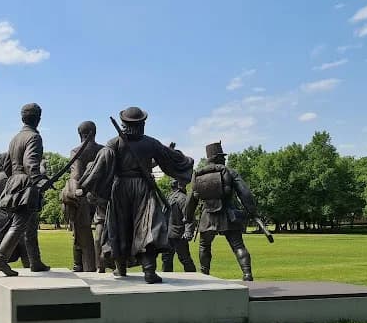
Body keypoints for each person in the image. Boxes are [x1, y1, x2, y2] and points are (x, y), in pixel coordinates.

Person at [77, 106, 194, 284]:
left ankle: (122, 268)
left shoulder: (114, 143)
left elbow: (98, 167)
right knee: (146, 227)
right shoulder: (149, 143)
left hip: (121, 188)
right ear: (142, 124)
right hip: (142, 188)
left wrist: (84, 187)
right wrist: (186, 162)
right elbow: (170, 158)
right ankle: (147, 270)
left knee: (121, 227)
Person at [184, 142, 256, 281]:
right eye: (222, 156)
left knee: (204, 246)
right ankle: (247, 274)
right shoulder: (230, 172)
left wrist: (188, 218)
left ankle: (204, 275)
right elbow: (245, 193)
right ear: (217, 157)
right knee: (238, 246)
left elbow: (191, 200)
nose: (224, 159)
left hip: (207, 216)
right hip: (228, 214)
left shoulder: (198, 175)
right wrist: (252, 210)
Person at [0, 103, 50, 276]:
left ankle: (35, 262)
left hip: (15, 181)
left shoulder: (15, 138)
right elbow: (30, 163)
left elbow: (8, 167)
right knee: (19, 224)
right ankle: (0, 260)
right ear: (38, 119)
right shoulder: (34, 137)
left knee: (30, 226)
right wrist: (38, 180)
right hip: (26, 184)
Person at [61, 121, 103, 272]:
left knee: (80, 235)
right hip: (102, 198)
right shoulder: (104, 150)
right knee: (101, 233)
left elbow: (76, 175)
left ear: (81, 135)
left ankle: (80, 265)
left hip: (83, 196)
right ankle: (100, 266)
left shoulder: (77, 151)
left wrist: (72, 191)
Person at [160, 179, 196, 272]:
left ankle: (193, 276)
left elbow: (189, 216)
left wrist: (188, 231)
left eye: (173, 181)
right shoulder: (170, 196)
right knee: (166, 259)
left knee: (185, 259)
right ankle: (167, 280)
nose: (171, 182)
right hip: (168, 234)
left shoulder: (182, 198)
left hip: (178, 235)